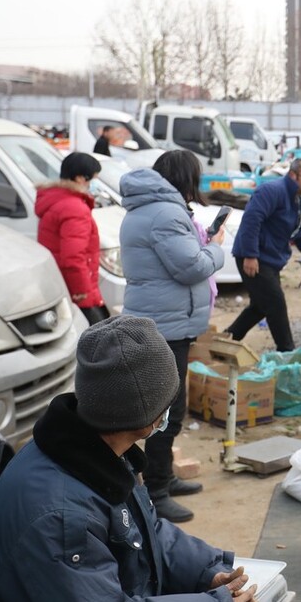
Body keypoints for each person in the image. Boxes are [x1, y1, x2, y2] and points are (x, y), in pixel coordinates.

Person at [0, 316, 260, 602]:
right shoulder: (61, 516)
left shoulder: (95, 450)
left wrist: (208, 573)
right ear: (150, 417)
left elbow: (145, 534)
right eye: (169, 397)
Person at [120, 151, 225, 522]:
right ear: (185, 177)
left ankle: (162, 478)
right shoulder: (164, 213)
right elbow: (190, 266)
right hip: (163, 325)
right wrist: (216, 247)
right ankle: (156, 492)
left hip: (165, 321)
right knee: (166, 411)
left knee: (167, 408)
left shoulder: (153, 209)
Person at [226, 159, 301, 353]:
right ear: (293, 175)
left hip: (271, 260)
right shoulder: (272, 191)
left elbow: (300, 233)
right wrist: (250, 255)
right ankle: (287, 352)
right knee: (276, 303)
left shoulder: (300, 199)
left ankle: (228, 338)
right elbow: (252, 220)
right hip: (254, 257)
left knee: (261, 305)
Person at [36, 152, 108, 325]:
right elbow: (73, 255)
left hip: (60, 281)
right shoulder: (74, 207)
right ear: (79, 178)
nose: (93, 185)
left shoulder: (59, 200)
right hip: (76, 288)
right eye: (92, 180)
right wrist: (81, 289)